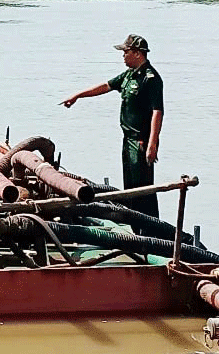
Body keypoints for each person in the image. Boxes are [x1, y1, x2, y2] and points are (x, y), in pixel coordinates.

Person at [61, 34, 164, 218]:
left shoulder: (151, 78)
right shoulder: (128, 75)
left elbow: (158, 111)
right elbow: (105, 86)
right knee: (130, 187)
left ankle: (151, 229)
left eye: (126, 52)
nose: (123, 56)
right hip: (128, 140)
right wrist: (77, 95)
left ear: (138, 53)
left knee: (143, 189)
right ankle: (135, 227)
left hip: (141, 141)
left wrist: (152, 144)